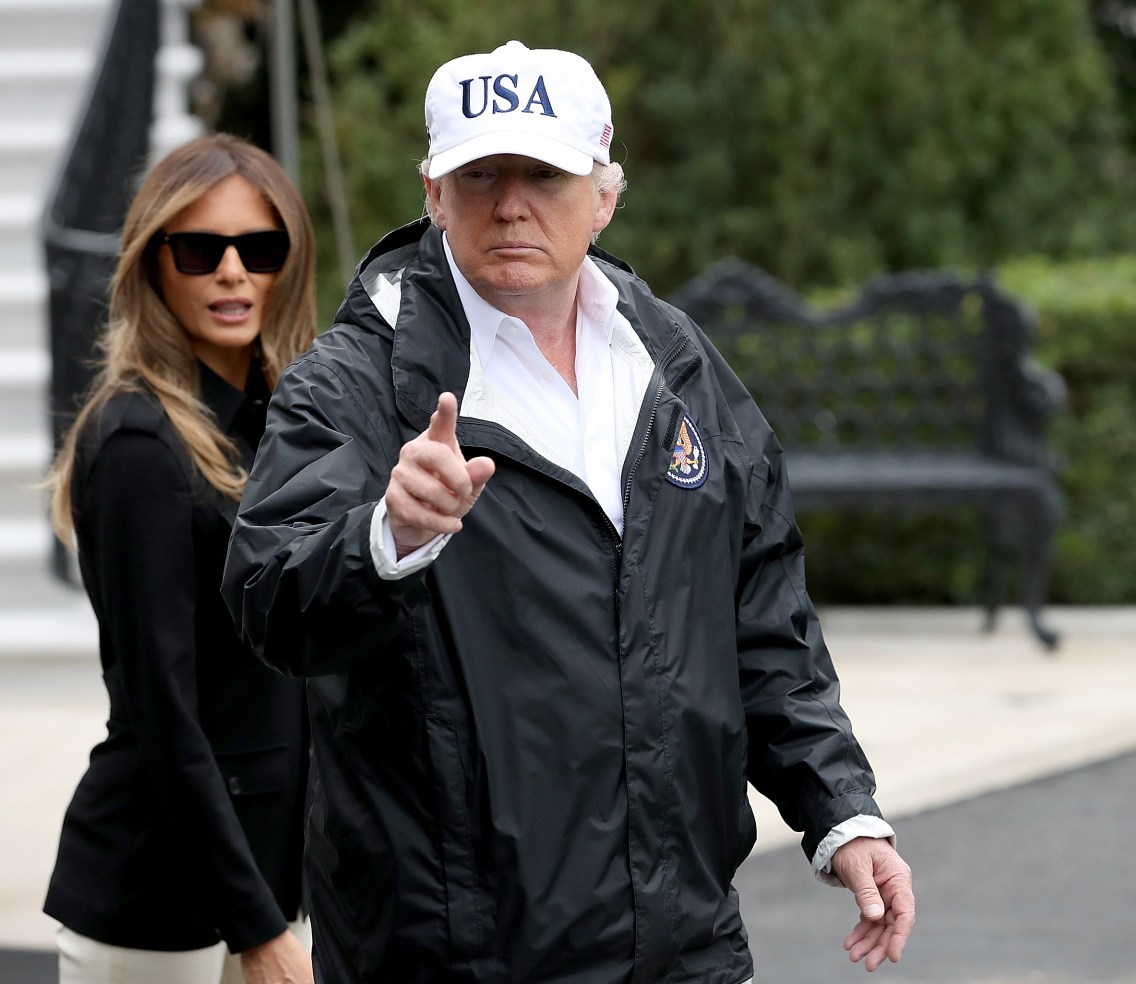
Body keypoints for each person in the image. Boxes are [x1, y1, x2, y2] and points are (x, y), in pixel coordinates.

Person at [222, 40, 915, 983]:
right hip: (457, 959)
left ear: (604, 195)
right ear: (433, 193)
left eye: (544, 173)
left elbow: (760, 607)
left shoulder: (672, 362)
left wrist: (840, 810)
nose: (511, 203)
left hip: (683, 943)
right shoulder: (353, 383)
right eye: (480, 174)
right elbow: (268, 596)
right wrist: (383, 538)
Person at [44, 133, 317, 984]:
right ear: (156, 265)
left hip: (258, 888)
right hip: (158, 904)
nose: (233, 272)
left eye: (258, 248)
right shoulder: (138, 444)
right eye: (201, 250)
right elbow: (164, 710)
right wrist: (258, 927)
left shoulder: (277, 424)